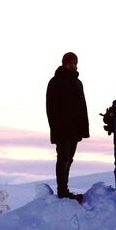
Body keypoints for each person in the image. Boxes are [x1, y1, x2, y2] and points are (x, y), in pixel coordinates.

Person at [45, 51, 89, 200]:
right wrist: (55, 128)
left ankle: (64, 189)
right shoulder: (55, 82)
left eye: (75, 63)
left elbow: (83, 107)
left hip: (74, 130)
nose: (73, 66)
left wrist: (84, 129)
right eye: (70, 63)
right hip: (62, 130)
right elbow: (50, 108)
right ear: (64, 63)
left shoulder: (77, 83)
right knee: (63, 158)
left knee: (69, 159)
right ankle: (62, 190)